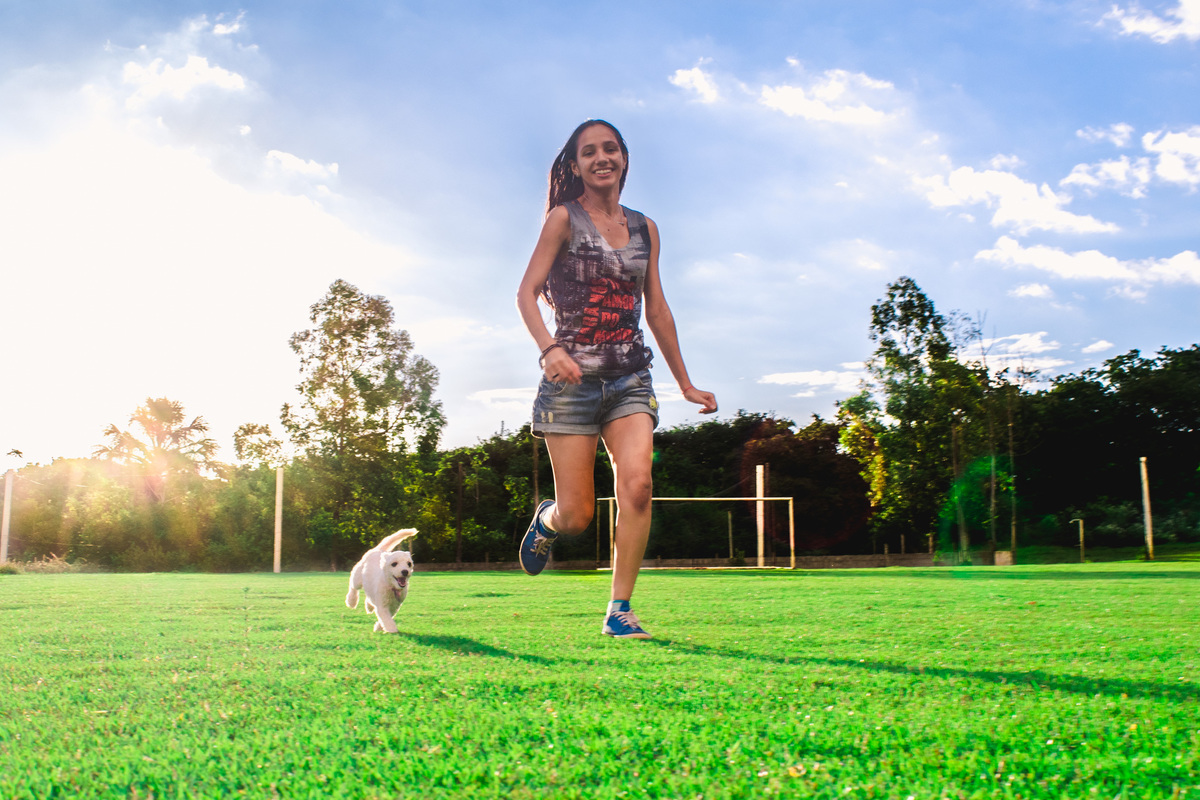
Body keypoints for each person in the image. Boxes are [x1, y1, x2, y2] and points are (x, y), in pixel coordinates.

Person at [515, 119, 718, 639]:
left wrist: (686, 384)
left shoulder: (646, 228)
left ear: (624, 158)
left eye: (610, 149)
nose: (600, 158)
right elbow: (526, 292)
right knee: (579, 516)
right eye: (588, 152)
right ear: (576, 165)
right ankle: (548, 521)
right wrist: (550, 350)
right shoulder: (564, 219)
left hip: (630, 378)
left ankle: (619, 609)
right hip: (571, 385)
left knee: (639, 486)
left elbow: (658, 308)